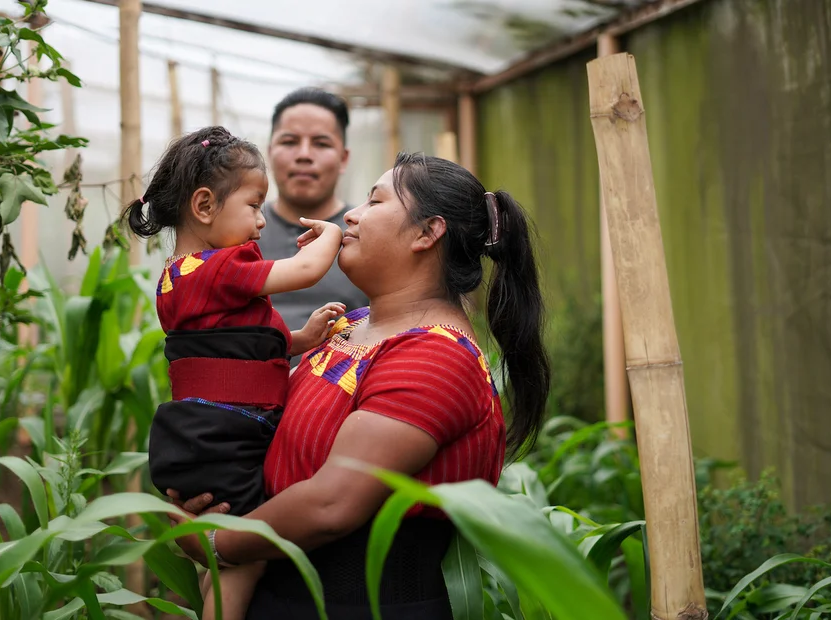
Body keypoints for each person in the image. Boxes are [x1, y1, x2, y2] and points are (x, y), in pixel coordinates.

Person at [168, 152, 552, 619]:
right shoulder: (349, 326)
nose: (351, 213)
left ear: (427, 233)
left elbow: (333, 503)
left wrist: (214, 541)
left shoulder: (436, 357)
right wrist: (208, 477)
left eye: (374, 201)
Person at [123, 126, 346, 620]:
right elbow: (305, 271)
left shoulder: (181, 277)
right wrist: (331, 233)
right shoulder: (218, 268)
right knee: (246, 553)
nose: (262, 221)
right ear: (204, 207)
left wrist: (301, 341)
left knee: (219, 556)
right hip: (223, 432)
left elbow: (234, 350)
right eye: (254, 205)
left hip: (202, 432)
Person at [260, 87, 368, 358]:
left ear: (343, 158)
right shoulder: (231, 233)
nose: (304, 154)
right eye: (289, 142)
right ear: (270, 152)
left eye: (321, 143)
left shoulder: (368, 232)